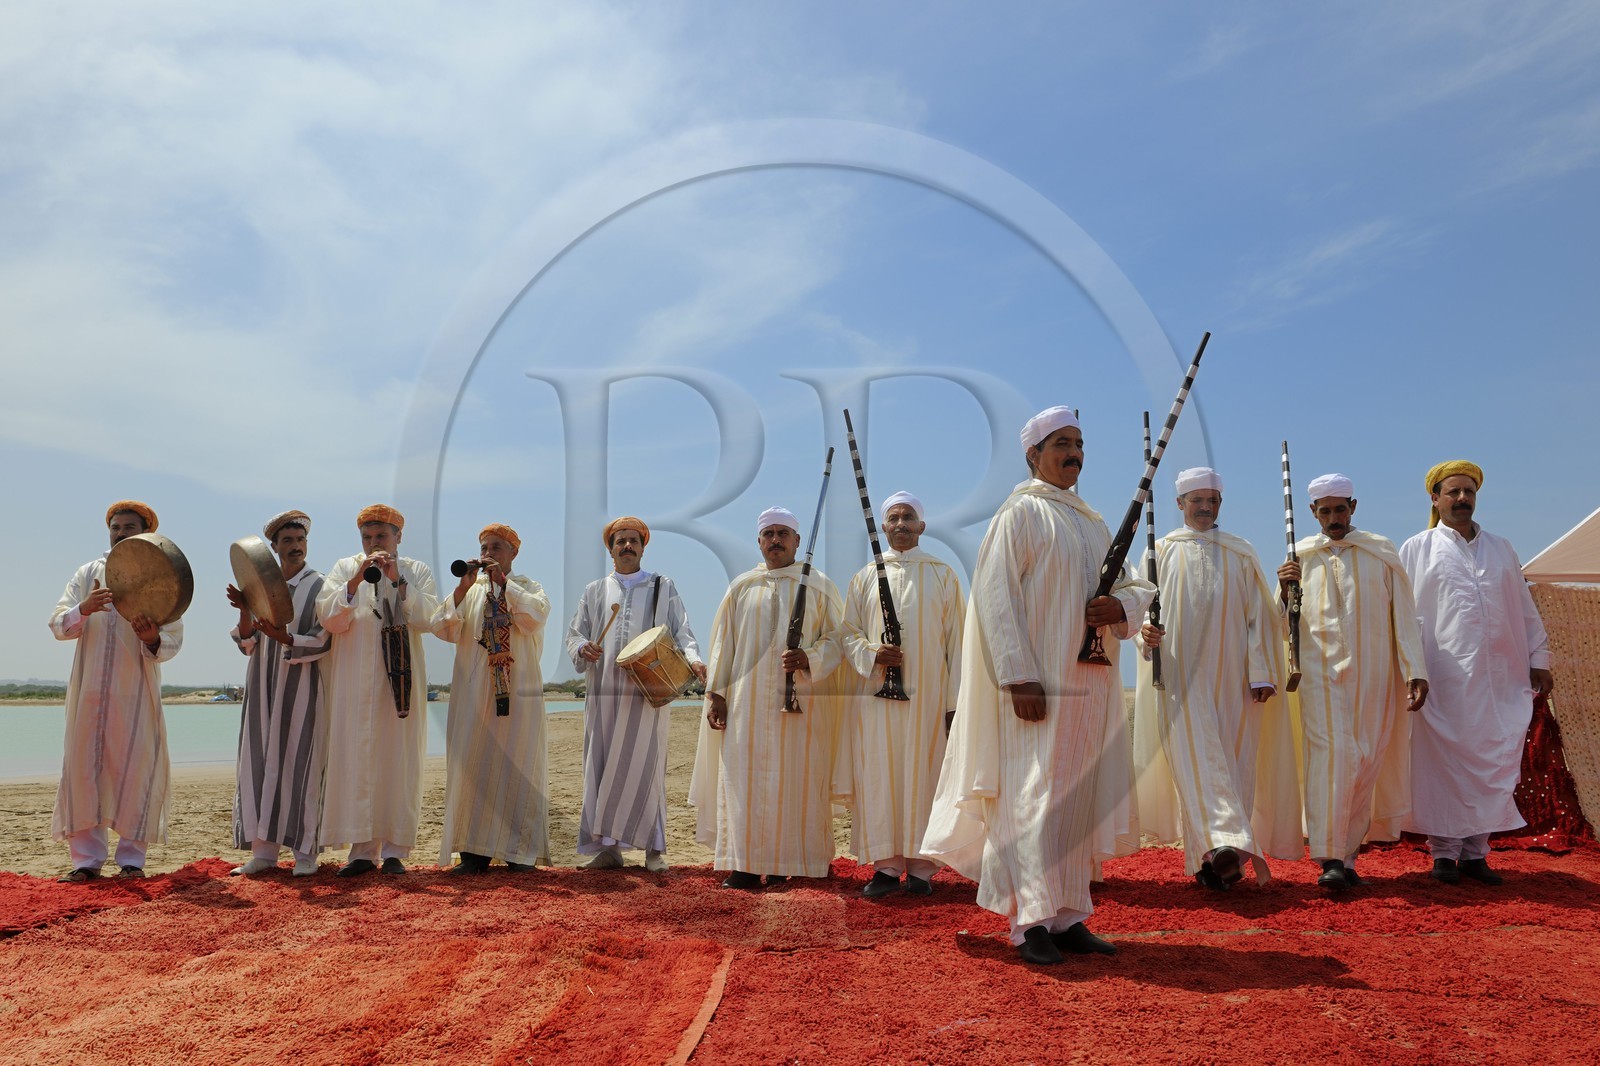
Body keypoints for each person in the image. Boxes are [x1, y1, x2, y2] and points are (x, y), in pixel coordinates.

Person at [921, 407, 1154, 965]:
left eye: (1079, 443)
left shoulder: (1094, 523)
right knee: (1034, 797)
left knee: (1074, 800)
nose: (1074, 453)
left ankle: (1069, 913)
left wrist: (1120, 604)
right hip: (1038, 686)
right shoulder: (1020, 514)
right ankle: (1029, 923)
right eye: (1061, 444)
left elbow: (1134, 585)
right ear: (1033, 455)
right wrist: (1019, 676)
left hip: (1092, 685)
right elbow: (996, 599)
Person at [1132, 468, 1295, 893]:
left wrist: (1262, 672)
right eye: (1196, 500)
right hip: (1180, 677)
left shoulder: (1241, 553)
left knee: (1235, 761)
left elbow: (1262, 619)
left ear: (1220, 504)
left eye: (1212, 500)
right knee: (1194, 761)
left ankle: (1214, 858)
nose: (1205, 507)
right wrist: (1141, 636)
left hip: (1236, 679)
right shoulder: (1159, 551)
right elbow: (1135, 613)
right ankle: (1222, 845)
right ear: (1180, 504)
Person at [1399, 461, 1553, 886]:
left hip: (1500, 677)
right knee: (1444, 764)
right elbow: (1402, 615)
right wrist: (1411, 668)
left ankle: (1476, 853)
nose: (1462, 499)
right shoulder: (1417, 548)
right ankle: (1444, 855)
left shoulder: (1502, 548)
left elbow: (1523, 608)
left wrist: (1539, 657)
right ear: (1435, 498)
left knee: (1493, 759)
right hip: (1442, 680)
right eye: (1453, 492)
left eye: (1469, 492)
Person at [1277, 473, 1428, 892]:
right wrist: (1284, 586)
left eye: (1340, 509)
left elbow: (1404, 618)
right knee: (1332, 759)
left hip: (1375, 676)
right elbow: (1281, 625)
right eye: (1324, 511)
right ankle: (1328, 857)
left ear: (1353, 508)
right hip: (1320, 678)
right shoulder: (1301, 557)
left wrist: (1415, 669)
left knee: (1364, 760)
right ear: (1312, 513)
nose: (1333, 518)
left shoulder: (1380, 553)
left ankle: (1346, 855)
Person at [689, 506, 847, 890]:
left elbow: (839, 639)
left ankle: (788, 864)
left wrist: (809, 657)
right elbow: (724, 645)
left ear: (796, 540)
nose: (775, 540)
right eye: (768, 534)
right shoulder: (742, 587)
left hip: (802, 705)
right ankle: (744, 866)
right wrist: (718, 695)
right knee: (744, 782)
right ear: (759, 541)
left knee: (798, 781)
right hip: (744, 707)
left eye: (783, 534)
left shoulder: (820, 586)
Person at [49, 501, 183, 881]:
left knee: (134, 770)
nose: (120, 533)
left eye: (129, 527)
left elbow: (172, 640)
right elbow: (58, 625)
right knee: (84, 770)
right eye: (116, 527)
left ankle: (131, 863)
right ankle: (86, 864)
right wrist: (84, 608)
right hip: (88, 693)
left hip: (134, 696)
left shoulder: (161, 575)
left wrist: (152, 637)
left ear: (144, 532)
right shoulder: (88, 573)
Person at [839, 491, 963, 898]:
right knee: (881, 774)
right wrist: (875, 653)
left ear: (921, 527)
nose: (901, 525)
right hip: (877, 700)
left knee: (926, 775)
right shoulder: (863, 578)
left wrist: (953, 705)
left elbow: (958, 645)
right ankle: (887, 867)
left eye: (908, 517)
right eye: (893, 518)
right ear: (884, 527)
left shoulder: (943, 575)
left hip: (929, 701)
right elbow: (847, 635)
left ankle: (923, 869)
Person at [564, 516, 705, 872]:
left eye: (633, 541)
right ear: (610, 548)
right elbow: (574, 635)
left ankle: (653, 850)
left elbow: (682, 631)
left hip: (647, 692)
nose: (627, 546)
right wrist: (584, 649)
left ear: (643, 546)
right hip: (603, 693)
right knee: (600, 763)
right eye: (620, 541)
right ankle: (607, 849)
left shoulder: (662, 586)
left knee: (647, 766)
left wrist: (695, 660)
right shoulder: (594, 590)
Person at [316, 504, 440, 877]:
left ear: (398, 537)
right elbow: (329, 618)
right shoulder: (343, 567)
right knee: (357, 758)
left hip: (400, 683)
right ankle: (360, 851)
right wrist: (354, 581)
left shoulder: (416, 570)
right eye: (368, 538)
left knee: (398, 758)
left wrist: (398, 578)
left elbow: (430, 618)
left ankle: (394, 852)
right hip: (354, 683)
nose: (374, 543)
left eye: (381, 537)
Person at [433, 523, 553, 873]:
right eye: (485, 547)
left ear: (514, 552)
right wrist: (461, 588)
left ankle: (521, 852)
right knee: (475, 765)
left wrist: (503, 584)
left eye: (497, 547)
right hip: (474, 693)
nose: (489, 553)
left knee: (519, 765)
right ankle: (473, 852)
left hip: (518, 693)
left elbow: (534, 618)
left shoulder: (528, 587)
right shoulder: (470, 590)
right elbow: (442, 628)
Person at [225, 509, 330, 877]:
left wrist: (285, 638)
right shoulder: (259, 585)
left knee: (299, 764)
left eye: (300, 540)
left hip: (300, 687)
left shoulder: (320, 585)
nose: (296, 546)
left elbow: (323, 640)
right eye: (287, 541)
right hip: (261, 687)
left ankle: (304, 855)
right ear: (273, 547)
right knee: (259, 763)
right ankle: (263, 853)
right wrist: (243, 609)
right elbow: (247, 643)